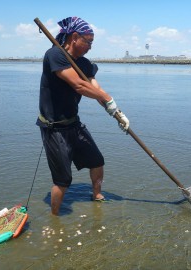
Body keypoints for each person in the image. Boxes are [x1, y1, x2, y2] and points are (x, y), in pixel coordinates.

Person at [37, 16, 129, 216]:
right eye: (88, 42)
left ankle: (97, 195)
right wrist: (107, 98)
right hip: (54, 128)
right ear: (75, 37)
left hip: (74, 124)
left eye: (92, 43)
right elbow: (79, 86)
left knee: (97, 161)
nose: (90, 47)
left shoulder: (85, 64)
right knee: (63, 180)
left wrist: (115, 111)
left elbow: (94, 87)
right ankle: (55, 218)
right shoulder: (55, 55)